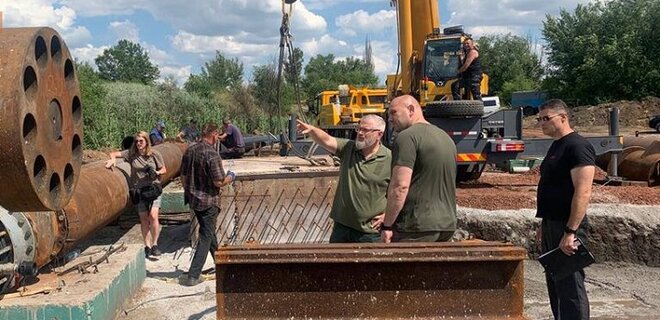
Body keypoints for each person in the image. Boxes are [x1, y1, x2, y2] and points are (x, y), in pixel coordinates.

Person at [535, 99, 594, 319]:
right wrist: (544, 223)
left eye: (546, 118)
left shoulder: (577, 146)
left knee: (570, 286)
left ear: (563, 117)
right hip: (553, 223)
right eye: (539, 119)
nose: (542, 123)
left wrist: (570, 232)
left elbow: (583, 192)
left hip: (567, 226)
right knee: (556, 282)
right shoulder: (557, 145)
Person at [297, 115, 391, 243]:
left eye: (365, 130)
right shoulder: (348, 149)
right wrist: (312, 130)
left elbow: (401, 191)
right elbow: (327, 140)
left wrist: (389, 216)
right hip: (342, 228)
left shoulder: (390, 159)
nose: (360, 133)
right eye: (359, 129)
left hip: (370, 232)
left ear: (379, 134)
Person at [381, 95, 457, 243]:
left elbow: (400, 186)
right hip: (447, 225)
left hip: (416, 227)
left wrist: (387, 225)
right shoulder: (446, 138)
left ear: (411, 110)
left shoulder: (406, 137)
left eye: (393, 112)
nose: (389, 119)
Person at [179, 123, 236, 286]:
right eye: (217, 136)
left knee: (210, 234)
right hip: (209, 203)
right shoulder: (212, 154)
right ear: (214, 135)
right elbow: (219, 181)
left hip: (194, 201)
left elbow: (183, 176)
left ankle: (223, 266)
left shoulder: (190, 150)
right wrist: (231, 176)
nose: (218, 138)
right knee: (205, 236)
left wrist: (190, 191)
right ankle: (193, 275)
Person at [105, 131, 167, 258]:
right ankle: (147, 246)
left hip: (153, 188)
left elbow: (164, 169)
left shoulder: (154, 154)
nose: (138, 143)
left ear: (146, 142)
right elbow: (113, 153)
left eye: (141, 141)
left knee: (153, 216)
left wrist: (156, 172)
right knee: (144, 218)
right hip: (139, 190)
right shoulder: (131, 154)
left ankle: (155, 244)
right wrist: (112, 160)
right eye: (136, 141)